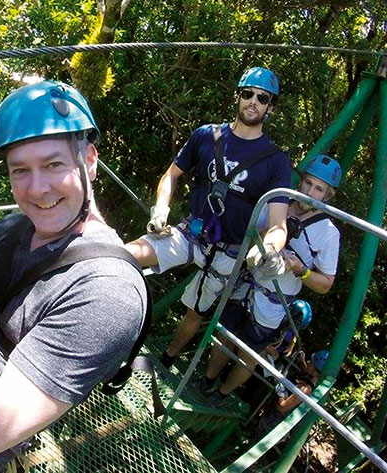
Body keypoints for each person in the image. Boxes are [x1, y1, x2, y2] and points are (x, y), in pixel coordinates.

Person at [0, 80, 148, 459]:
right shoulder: (13, 229)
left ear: (89, 160)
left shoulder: (106, 292)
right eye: (20, 170)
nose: (37, 189)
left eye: (53, 164)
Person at [123, 66, 293, 368]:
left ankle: (167, 358)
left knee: (195, 310)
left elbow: (278, 223)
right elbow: (172, 175)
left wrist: (269, 248)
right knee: (128, 254)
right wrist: (161, 207)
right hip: (192, 232)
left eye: (263, 98)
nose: (253, 101)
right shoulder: (207, 136)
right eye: (248, 94)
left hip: (229, 252)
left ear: (270, 106)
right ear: (237, 96)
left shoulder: (276, 161)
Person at [200, 155, 341, 404]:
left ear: (328, 195)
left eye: (318, 189)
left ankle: (222, 394)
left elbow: (326, 284)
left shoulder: (328, 234)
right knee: (223, 335)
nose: (309, 192)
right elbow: (248, 232)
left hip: (274, 302)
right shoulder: (278, 204)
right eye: (307, 183)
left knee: (249, 354)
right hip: (247, 281)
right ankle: (207, 381)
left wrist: (301, 270)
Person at [257, 349, 328, 431]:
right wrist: (302, 362)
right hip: (269, 410)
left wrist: (280, 390)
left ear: (315, 369)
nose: (308, 362)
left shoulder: (306, 389)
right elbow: (306, 369)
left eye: (311, 362)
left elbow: (282, 407)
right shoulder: (309, 377)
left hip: (271, 421)